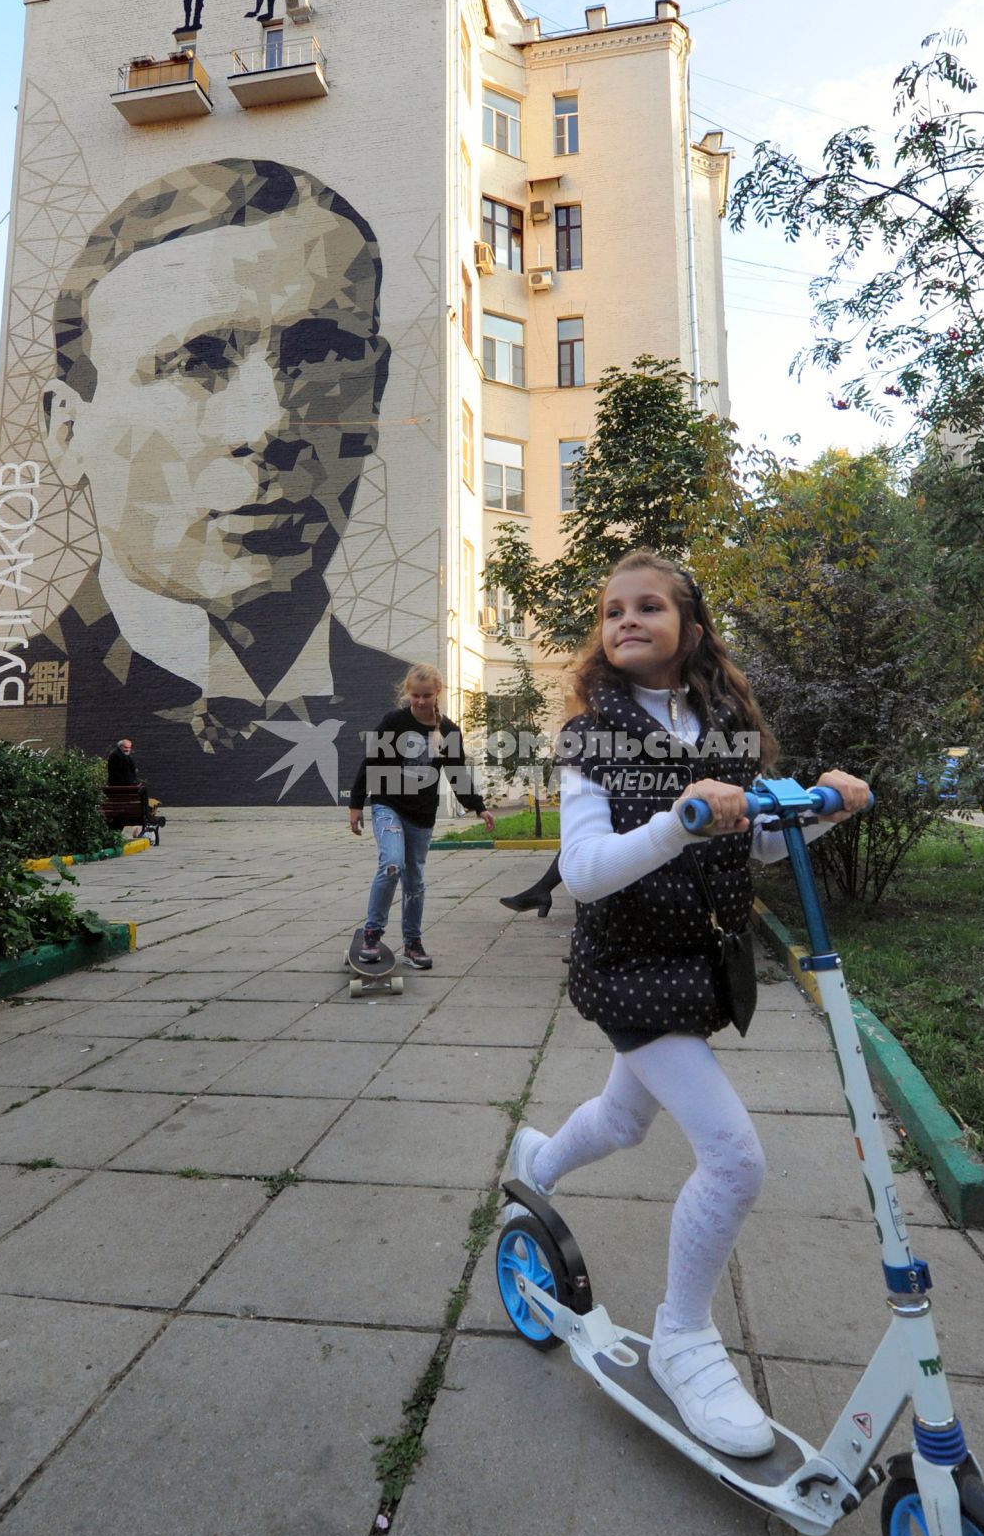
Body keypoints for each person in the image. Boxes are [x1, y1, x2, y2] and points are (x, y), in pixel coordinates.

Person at [504, 550, 870, 1457]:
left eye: (649, 607)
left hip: (697, 966)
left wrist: (826, 809)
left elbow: (767, 850)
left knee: (626, 1119)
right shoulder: (591, 737)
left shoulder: (723, 724)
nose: (626, 620)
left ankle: (538, 1165)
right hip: (630, 967)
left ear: (691, 629)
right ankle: (683, 1338)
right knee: (735, 1160)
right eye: (612, 610)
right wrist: (677, 819)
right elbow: (585, 875)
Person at [14, 157, 406, 805]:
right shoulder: (26, 695)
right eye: (197, 360)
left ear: (376, 390)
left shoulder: (402, 697)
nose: (272, 421)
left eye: (318, 353)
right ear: (68, 432)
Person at [348, 664, 495, 970]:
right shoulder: (394, 722)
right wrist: (356, 804)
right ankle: (372, 935)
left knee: (414, 880)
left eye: (427, 695)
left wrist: (478, 806)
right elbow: (372, 762)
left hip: (422, 814)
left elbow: (457, 774)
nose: (421, 701)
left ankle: (412, 944)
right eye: (415, 695)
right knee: (392, 863)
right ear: (407, 692)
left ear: (437, 693)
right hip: (388, 805)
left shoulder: (449, 732)